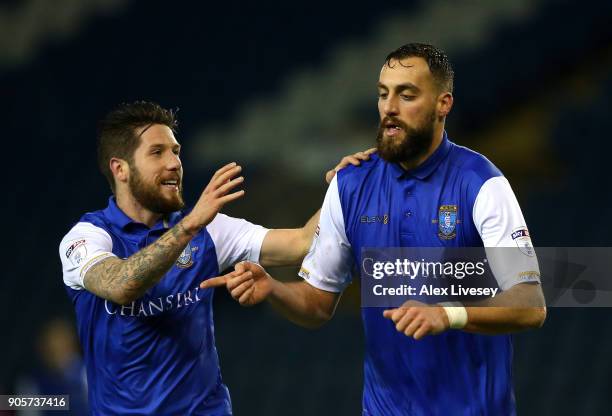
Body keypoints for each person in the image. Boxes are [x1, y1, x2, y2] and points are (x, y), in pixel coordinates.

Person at [203, 43, 547, 415]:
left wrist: (448, 314)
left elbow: (530, 304)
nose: (389, 108)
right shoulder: (350, 184)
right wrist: (274, 289)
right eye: (383, 94)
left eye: (406, 94)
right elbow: (317, 304)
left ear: (443, 104)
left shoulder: (482, 184)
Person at [58, 101, 374, 415]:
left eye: (176, 151)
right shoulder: (87, 237)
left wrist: (343, 189)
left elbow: (301, 242)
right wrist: (190, 225)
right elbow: (121, 284)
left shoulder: (210, 230)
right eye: (157, 152)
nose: (173, 163)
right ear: (120, 169)